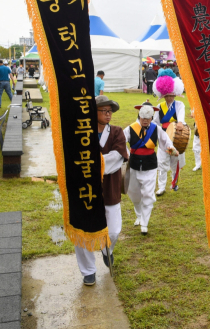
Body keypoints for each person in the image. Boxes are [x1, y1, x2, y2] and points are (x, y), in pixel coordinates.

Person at [75, 95, 128, 286]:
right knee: (84, 232)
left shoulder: (116, 132)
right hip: (85, 191)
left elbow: (118, 157)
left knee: (113, 231)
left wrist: (93, 164)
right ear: (93, 112)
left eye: (110, 111)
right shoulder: (82, 132)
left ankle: (108, 251)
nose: (108, 115)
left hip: (110, 189)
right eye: (104, 111)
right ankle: (88, 270)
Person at [124, 101, 178, 235]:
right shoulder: (130, 128)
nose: (146, 121)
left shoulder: (156, 128)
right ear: (139, 116)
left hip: (150, 166)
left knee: (148, 194)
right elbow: (120, 142)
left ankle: (145, 223)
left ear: (152, 117)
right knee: (134, 194)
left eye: (148, 118)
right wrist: (126, 154)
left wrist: (171, 149)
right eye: (143, 118)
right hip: (134, 166)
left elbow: (166, 142)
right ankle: (139, 215)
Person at [152, 70, 186, 195]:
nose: (169, 97)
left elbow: (181, 116)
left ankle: (174, 182)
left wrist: (181, 122)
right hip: (163, 137)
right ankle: (161, 187)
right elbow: (155, 122)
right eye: (167, 95)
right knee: (162, 162)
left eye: (171, 95)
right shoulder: (159, 107)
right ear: (163, 95)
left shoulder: (179, 104)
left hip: (175, 137)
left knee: (174, 161)